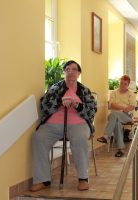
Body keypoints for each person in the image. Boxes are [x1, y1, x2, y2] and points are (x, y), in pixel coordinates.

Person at [30, 60, 97, 192]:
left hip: (78, 123)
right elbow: (44, 105)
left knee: (79, 139)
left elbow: (92, 110)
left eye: (74, 69)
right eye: (67, 69)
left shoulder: (84, 90)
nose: (70, 72)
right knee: (39, 138)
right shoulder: (55, 88)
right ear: (64, 72)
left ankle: (83, 178)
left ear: (78, 73)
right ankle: (43, 179)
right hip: (54, 123)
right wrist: (60, 102)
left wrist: (76, 105)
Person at [97, 75, 136, 157]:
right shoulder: (114, 93)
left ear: (128, 85)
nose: (122, 85)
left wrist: (119, 107)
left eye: (125, 84)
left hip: (126, 116)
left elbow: (131, 107)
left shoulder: (131, 94)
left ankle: (107, 136)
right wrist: (124, 107)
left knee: (114, 114)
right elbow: (111, 105)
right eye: (121, 83)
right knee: (117, 122)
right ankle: (120, 150)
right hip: (114, 116)